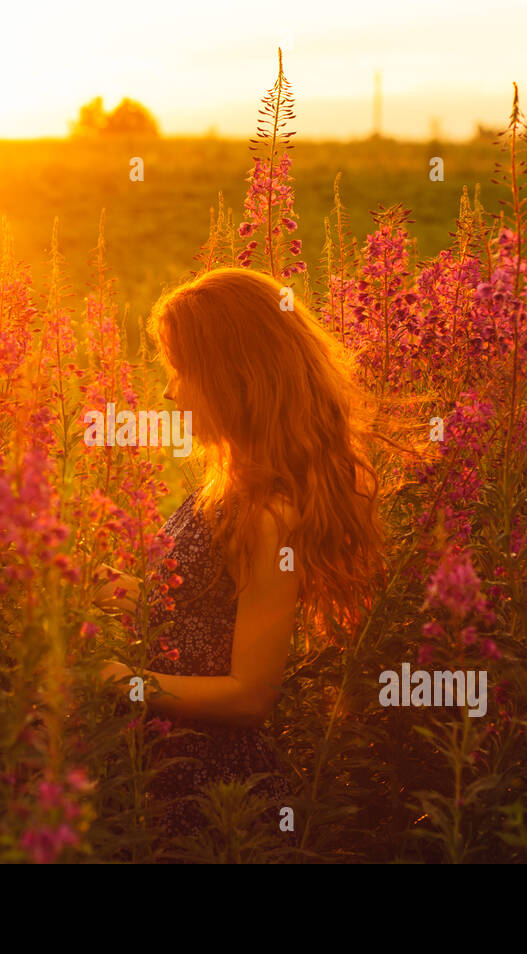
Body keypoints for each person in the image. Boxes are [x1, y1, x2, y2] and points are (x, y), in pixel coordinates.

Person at [92, 266, 390, 848]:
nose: (169, 390)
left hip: (207, 794)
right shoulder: (232, 487)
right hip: (164, 768)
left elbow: (250, 692)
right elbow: (203, 605)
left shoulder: (266, 514)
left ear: (234, 376)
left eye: (181, 370)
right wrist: (130, 591)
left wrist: (122, 681)